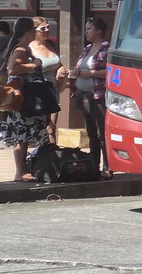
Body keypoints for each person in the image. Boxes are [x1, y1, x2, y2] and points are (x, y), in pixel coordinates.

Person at [0, 17, 51, 182]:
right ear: (27, 31)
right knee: (21, 136)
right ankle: (20, 171)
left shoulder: (22, 47)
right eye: (33, 30)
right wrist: (35, 64)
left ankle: (23, 171)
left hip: (24, 98)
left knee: (23, 135)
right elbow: (14, 68)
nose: (35, 32)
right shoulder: (21, 49)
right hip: (23, 98)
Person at [70, 15, 112, 179]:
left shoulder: (106, 48)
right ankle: (94, 167)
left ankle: (108, 167)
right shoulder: (86, 49)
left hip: (98, 96)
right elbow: (79, 67)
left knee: (103, 133)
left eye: (89, 29)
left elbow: (111, 71)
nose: (86, 32)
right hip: (84, 96)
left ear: (99, 31)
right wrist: (74, 72)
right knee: (91, 133)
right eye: (86, 29)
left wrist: (90, 73)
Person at [29, 16, 65, 144]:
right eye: (43, 28)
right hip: (38, 94)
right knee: (43, 128)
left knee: (51, 128)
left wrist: (61, 68)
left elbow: (57, 63)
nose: (47, 30)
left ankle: (51, 157)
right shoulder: (30, 48)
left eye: (48, 27)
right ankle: (41, 157)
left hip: (53, 92)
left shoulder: (50, 44)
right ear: (34, 31)